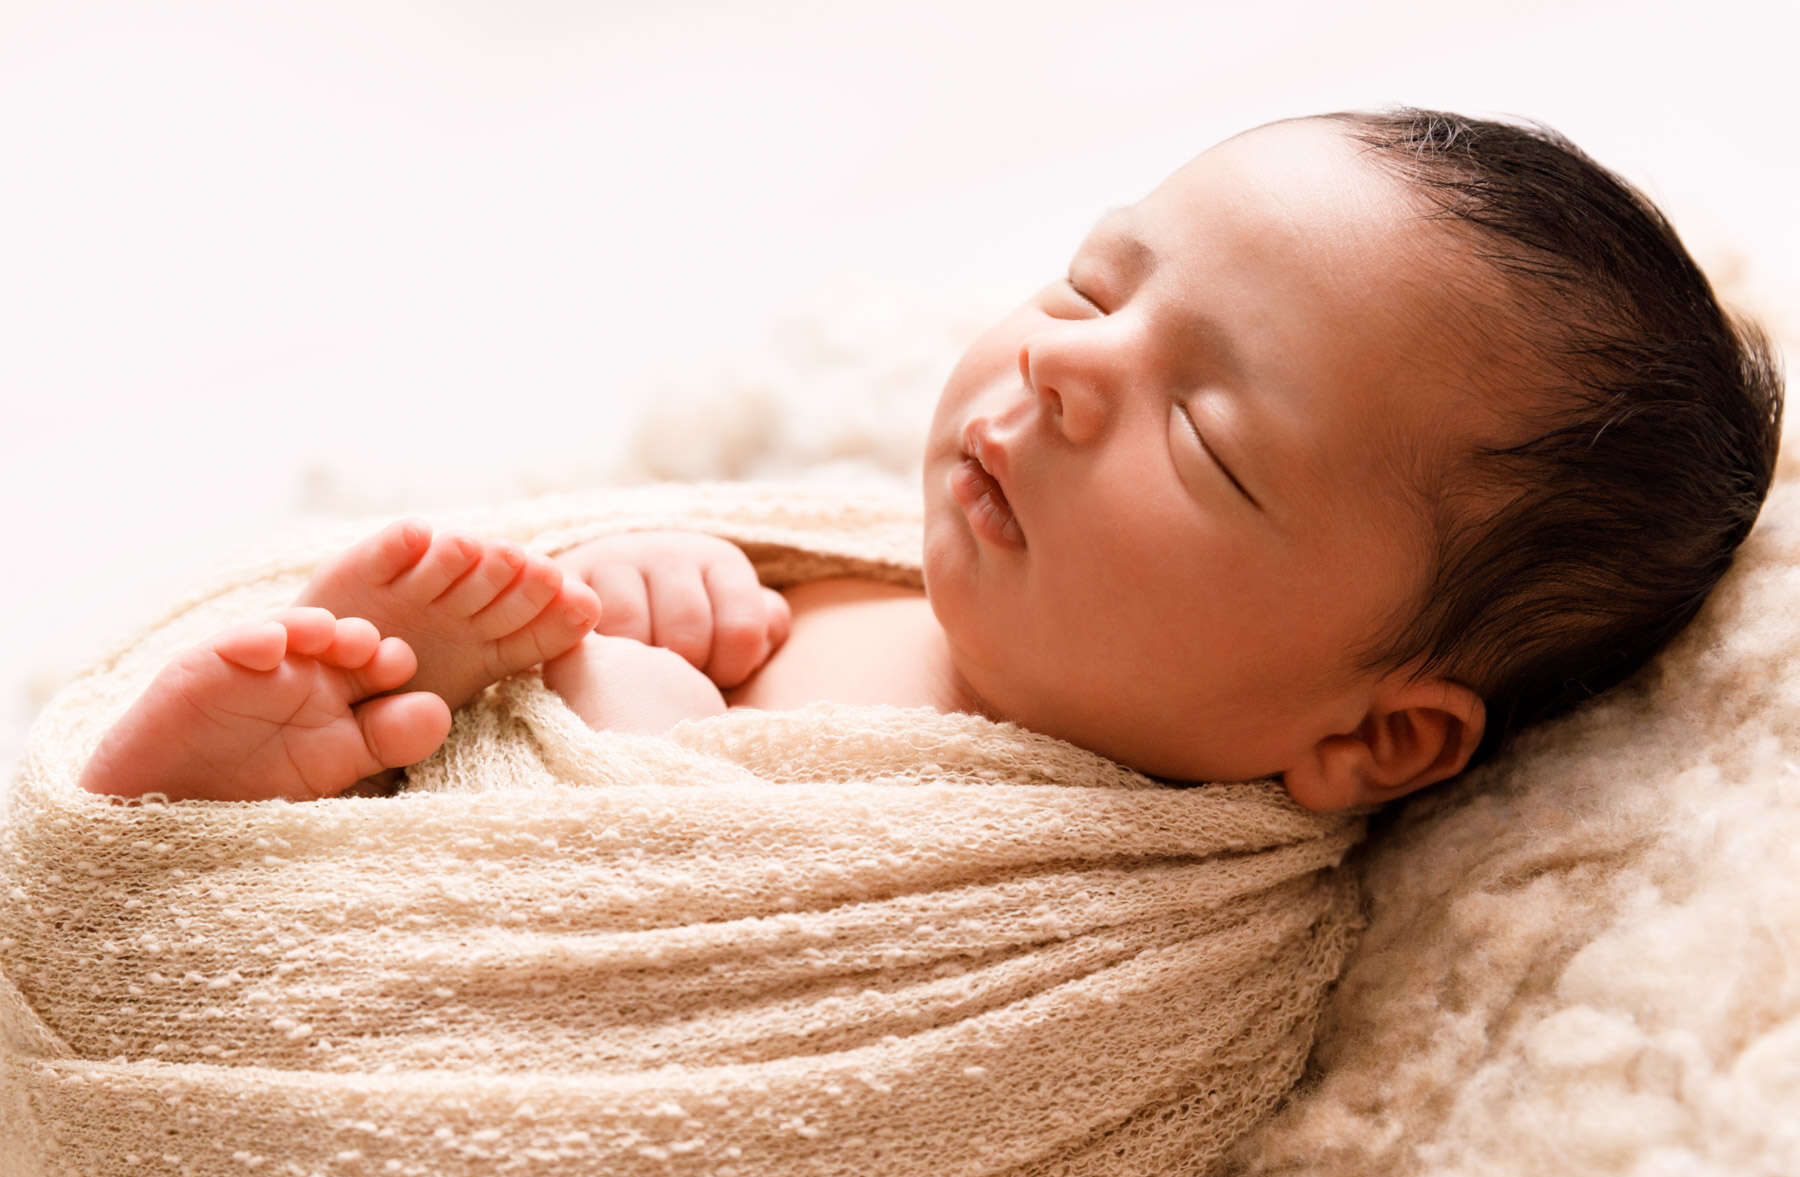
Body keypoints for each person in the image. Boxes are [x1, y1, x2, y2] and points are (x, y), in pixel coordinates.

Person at [76, 108, 1784, 814]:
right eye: (1094, 285)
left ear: (1377, 735)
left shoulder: (1096, 913)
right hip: (411, 820)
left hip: (478, 995)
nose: (1061, 365)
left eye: (1202, 429)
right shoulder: (855, 561)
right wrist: (608, 594)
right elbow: (637, 604)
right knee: (366, 677)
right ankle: (231, 787)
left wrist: (640, 768)